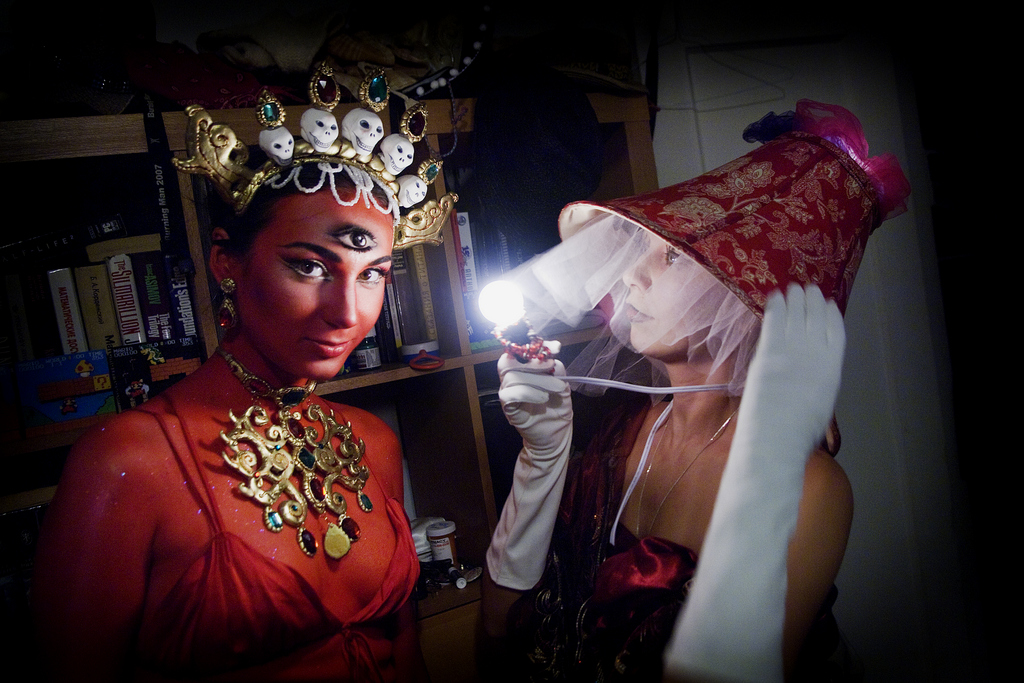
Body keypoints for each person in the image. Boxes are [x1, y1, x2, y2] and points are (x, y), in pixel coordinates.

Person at [32, 68, 454, 681]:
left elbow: (404, 646)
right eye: (310, 266)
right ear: (227, 262)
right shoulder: (128, 460)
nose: (348, 313)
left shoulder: (373, 443)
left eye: (372, 274)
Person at [481, 100, 910, 682]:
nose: (632, 274)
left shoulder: (811, 490)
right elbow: (501, 632)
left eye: (674, 256)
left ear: (754, 286)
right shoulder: (621, 431)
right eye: (642, 248)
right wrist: (542, 462)